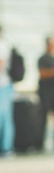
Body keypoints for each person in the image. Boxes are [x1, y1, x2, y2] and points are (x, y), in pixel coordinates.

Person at [0, 26, 15, 157]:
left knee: (4, 117)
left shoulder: (2, 45)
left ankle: (6, 147)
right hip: (4, 85)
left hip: (3, 86)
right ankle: (6, 147)